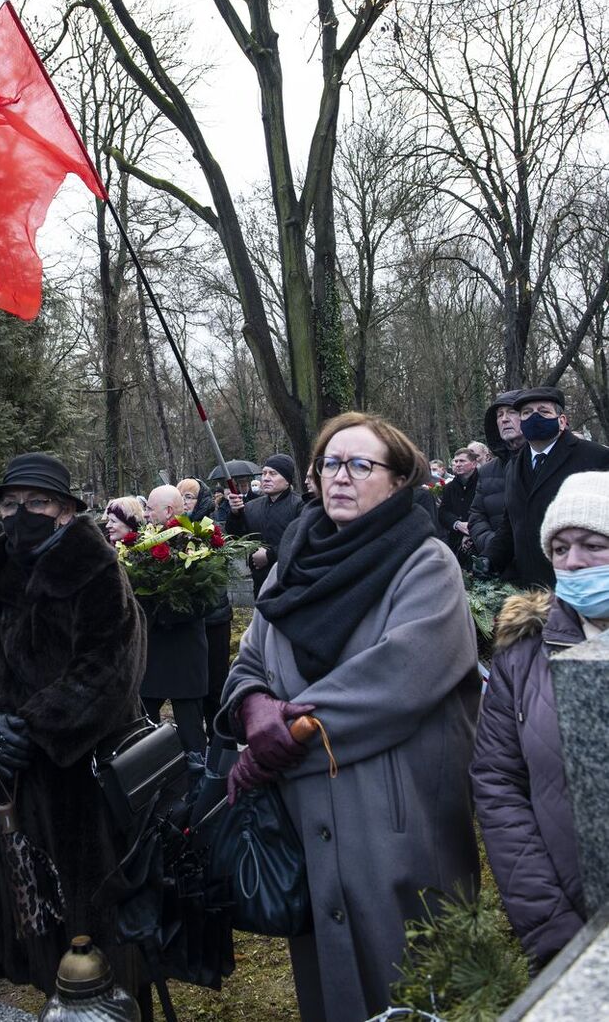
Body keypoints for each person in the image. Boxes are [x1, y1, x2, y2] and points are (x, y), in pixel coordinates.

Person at [218, 412, 480, 1022]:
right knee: (327, 971)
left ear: (397, 479)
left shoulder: (427, 563)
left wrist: (277, 738)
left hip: (395, 808)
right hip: (306, 812)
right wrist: (253, 706)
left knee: (407, 971)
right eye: (330, 464)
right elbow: (251, 659)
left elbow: (396, 680)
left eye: (361, 465)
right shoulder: (291, 564)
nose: (341, 477)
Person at [0, 453, 148, 1008]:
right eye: (9, 504)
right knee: (35, 917)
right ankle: (56, 1001)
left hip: (84, 777)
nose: (19, 514)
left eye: (35, 503)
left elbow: (110, 670)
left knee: (99, 929)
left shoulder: (98, 568)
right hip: (15, 783)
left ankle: (112, 1008)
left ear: (63, 512)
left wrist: (32, 728)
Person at [469, 471, 609, 967]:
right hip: (568, 913)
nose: (573, 562)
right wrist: (552, 927)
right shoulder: (524, 650)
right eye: (560, 548)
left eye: (593, 545)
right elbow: (498, 781)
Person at [486, 386, 609, 588]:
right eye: (526, 413)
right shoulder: (513, 466)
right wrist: (491, 558)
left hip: (581, 585)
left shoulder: (595, 457)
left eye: (543, 412)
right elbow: (511, 524)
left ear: (561, 421)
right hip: (531, 590)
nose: (534, 417)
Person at [139, 483, 209, 754]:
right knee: (144, 733)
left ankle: (200, 788)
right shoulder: (142, 544)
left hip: (184, 656)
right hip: (152, 657)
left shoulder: (197, 543)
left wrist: (162, 608)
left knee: (192, 735)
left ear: (168, 511)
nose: (145, 514)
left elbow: (206, 600)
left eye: (149, 508)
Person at [178, 477, 233, 735]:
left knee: (215, 684)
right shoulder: (173, 528)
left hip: (214, 617)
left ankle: (222, 741)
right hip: (189, 621)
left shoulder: (212, 526)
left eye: (189, 497)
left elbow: (217, 574)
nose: (185, 502)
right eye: (182, 497)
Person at [224, 454, 303, 600]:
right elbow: (237, 536)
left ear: (287, 480)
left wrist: (270, 555)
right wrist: (235, 514)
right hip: (260, 584)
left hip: (292, 584)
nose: (266, 478)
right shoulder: (251, 507)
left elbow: (302, 542)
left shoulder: (300, 506)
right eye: (264, 473)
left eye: (273, 474)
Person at [468, 390, 525, 577]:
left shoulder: (542, 462)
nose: (504, 419)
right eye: (500, 415)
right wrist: (494, 546)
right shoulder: (486, 471)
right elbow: (476, 515)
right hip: (501, 568)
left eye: (512, 412)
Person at [437, 447, 479, 570]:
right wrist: (457, 523)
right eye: (455, 461)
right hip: (456, 540)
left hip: (480, 537)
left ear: (474, 464)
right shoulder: (449, 487)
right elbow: (443, 512)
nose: (458, 464)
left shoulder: (483, 482)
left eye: (462, 461)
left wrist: (472, 528)